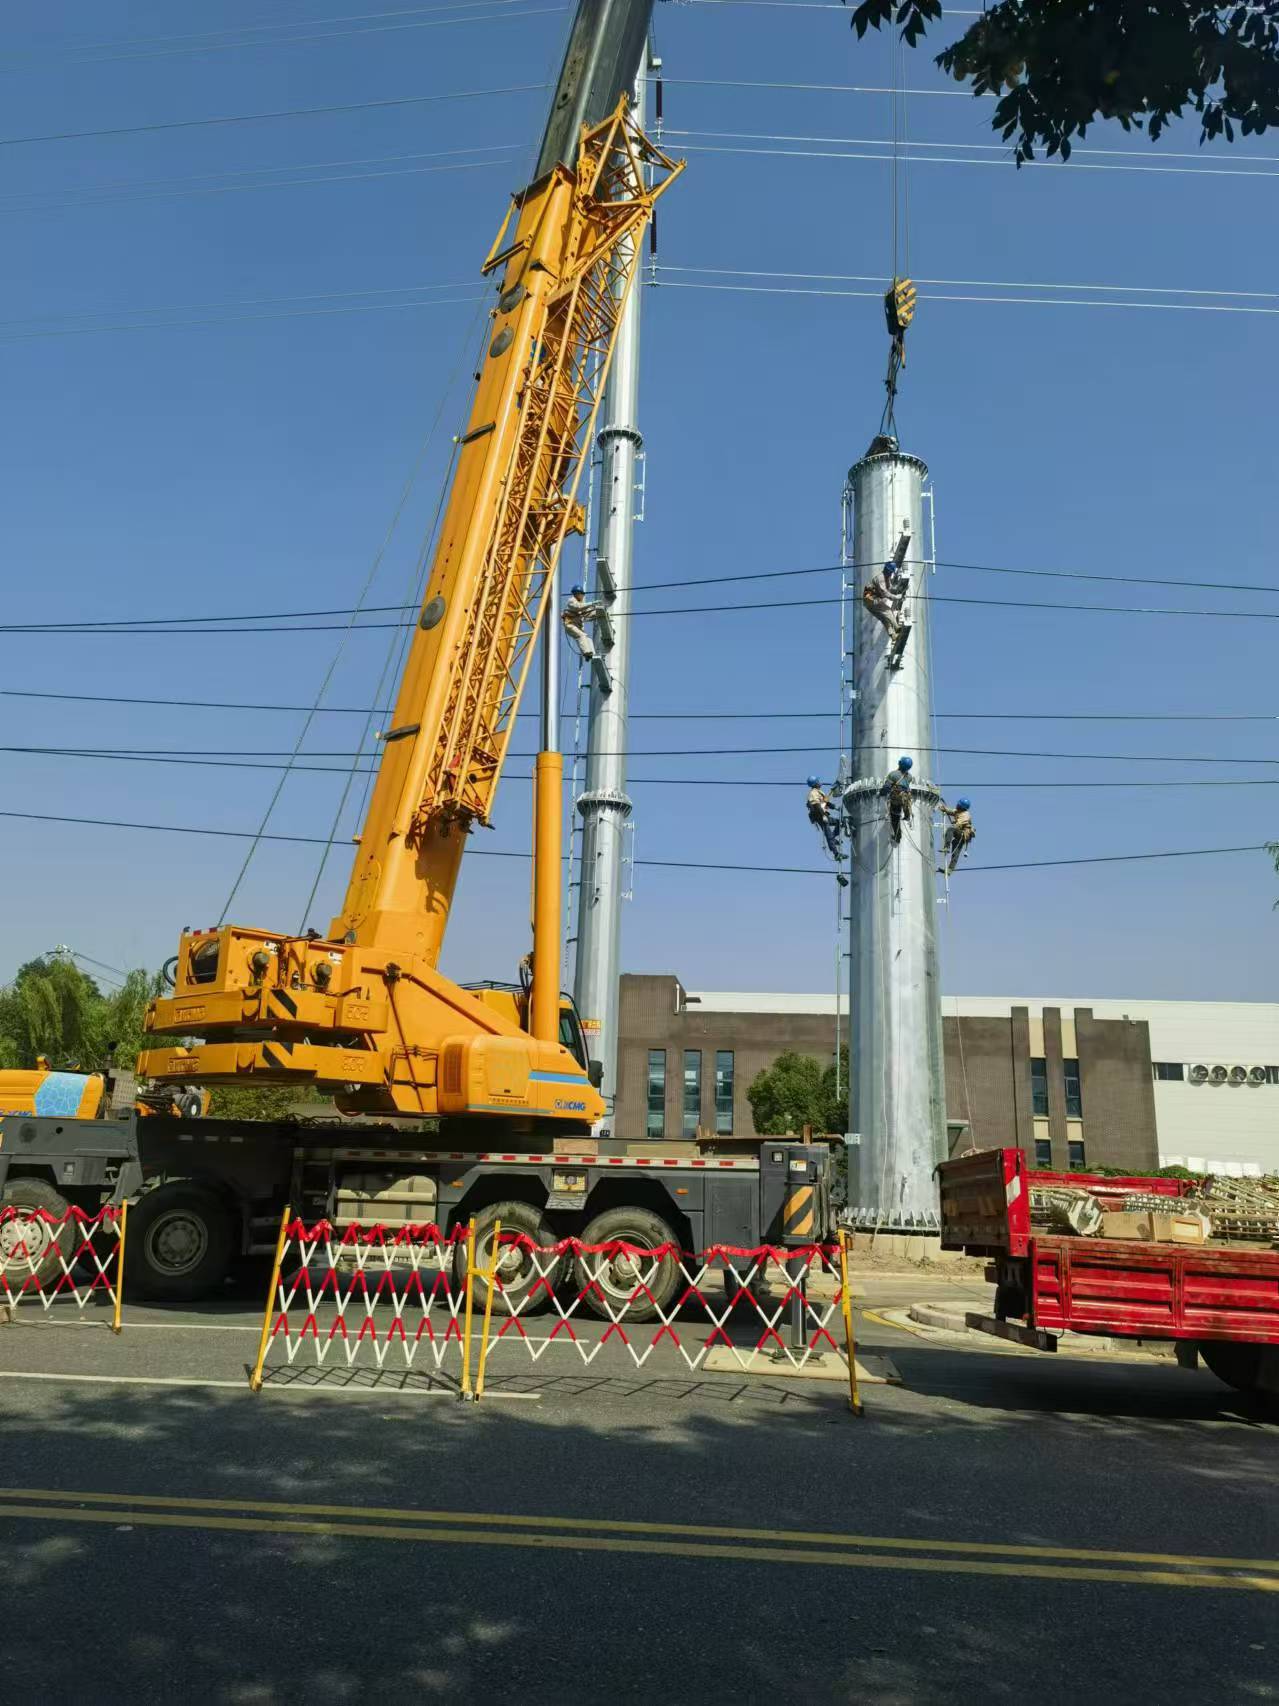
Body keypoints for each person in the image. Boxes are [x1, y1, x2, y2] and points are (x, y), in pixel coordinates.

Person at [805, 776, 848, 883]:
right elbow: (816, 806)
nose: (820, 782)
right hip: (819, 816)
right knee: (828, 833)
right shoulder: (813, 793)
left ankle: (834, 838)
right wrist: (823, 815)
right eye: (818, 781)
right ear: (815, 783)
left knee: (840, 822)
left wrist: (835, 807)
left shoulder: (819, 792)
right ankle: (836, 854)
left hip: (823, 814)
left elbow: (825, 802)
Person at [861, 564, 902, 645]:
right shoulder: (881, 578)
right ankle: (897, 627)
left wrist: (895, 591)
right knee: (887, 611)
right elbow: (884, 592)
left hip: (869, 603)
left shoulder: (886, 578)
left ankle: (893, 635)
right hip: (871, 599)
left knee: (884, 618)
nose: (891, 574)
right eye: (891, 572)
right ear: (888, 571)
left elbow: (889, 589)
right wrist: (896, 597)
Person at [562, 584, 601, 662]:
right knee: (581, 635)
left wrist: (598, 611)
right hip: (570, 625)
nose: (583, 596)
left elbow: (587, 613)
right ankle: (586, 653)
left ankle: (592, 654)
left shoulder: (581, 603)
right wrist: (592, 603)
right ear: (577, 594)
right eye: (581, 594)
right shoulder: (571, 601)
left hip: (576, 626)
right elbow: (578, 607)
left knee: (587, 638)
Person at [938, 796, 975, 874]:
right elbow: (952, 811)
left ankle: (946, 847)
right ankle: (950, 870)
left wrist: (955, 823)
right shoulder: (959, 811)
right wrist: (944, 809)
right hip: (960, 834)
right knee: (955, 848)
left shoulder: (966, 815)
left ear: (962, 807)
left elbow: (959, 824)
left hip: (963, 834)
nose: (957, 805)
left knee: (950, 830)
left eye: (958, 805)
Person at [883, 755, 914, 844]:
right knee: (904, 807)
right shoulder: (909, 777)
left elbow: (887, 787)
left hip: (896, 799)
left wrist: (882, 793)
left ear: (900, 763)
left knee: (895, 818)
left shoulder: (893, 774)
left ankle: (897, 837)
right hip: (906, 799)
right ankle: (907, 815)